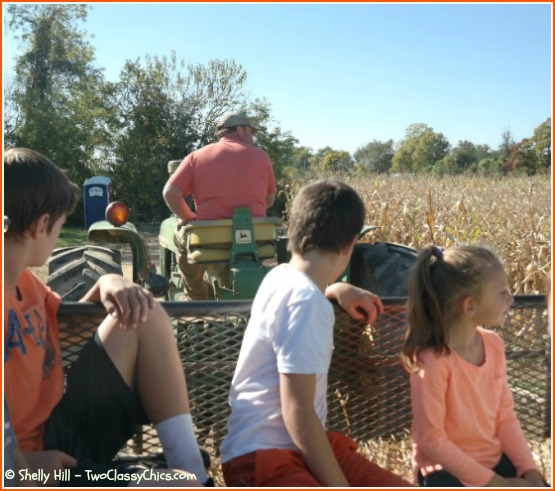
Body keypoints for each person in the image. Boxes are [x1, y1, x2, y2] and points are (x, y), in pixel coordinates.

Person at [4, 148, 206, 487]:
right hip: (33, 466)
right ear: (42, 226)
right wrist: (19, 470)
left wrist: (106, 283)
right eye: (60, 227)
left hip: (61, 430)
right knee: (177, 485)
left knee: (144, 312)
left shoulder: (27, 284)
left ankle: (195, 472)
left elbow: (68, 333)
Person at [219, 179, 413, 487]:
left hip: (285, 447)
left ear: (294, 231)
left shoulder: (279, 277)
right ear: (351, 243)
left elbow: (299, 304)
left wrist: (336, 289)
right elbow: (297, 410)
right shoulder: (307, 301)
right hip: (264, 458)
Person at [400, 244, 548, 487]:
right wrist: (496, 484)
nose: (510, 298)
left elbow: (505, 417)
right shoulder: (433, 360)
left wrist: (529, 470)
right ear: (469, 306)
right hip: (445, 471)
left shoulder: (494, 345)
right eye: (502, 292)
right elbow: (432, 441)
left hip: (492, 462)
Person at [162, 111, 276, 300]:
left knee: (178, 237)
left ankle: (196, 297)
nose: (252, 137)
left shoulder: (196, 157)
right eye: (250, 132)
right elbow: (269, 201)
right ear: (239, 130)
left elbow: (170, 193)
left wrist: (188, 218)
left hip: (210, 241)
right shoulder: (262, 157)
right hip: (256, 240)